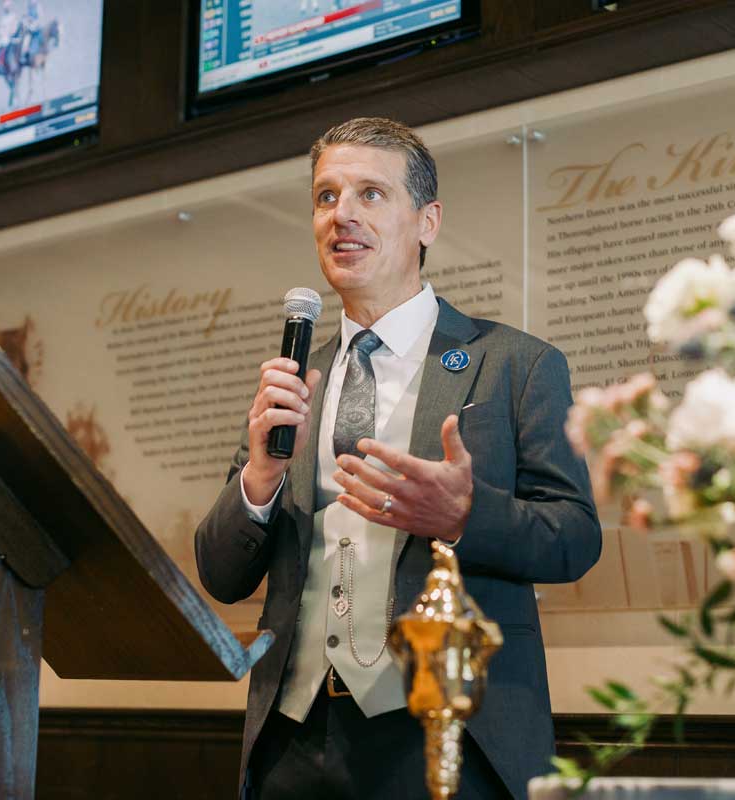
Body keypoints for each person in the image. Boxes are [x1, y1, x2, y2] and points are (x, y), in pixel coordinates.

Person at [195, 117, 601, 800]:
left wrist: (467, 515)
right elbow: (220, 573)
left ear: (427, 221)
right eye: (326, 197)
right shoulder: (293, 385)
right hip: (292, 740)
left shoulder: (515, 366)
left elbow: (576, 537)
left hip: (445, 734)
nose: (341, 215)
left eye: (370, 195)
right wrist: (259, 479)